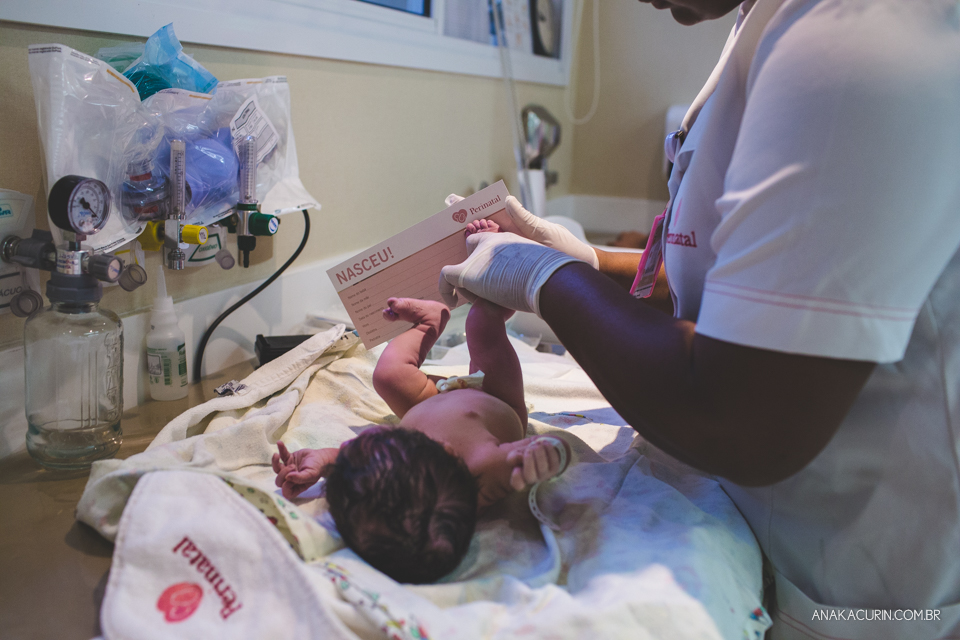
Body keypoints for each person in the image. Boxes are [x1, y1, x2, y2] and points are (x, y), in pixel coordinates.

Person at [439, 0, 960, 637]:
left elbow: (744, 417)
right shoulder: (761, 21)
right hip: (748, 533)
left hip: (856, 592)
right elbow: (739, 280)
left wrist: (546, 280)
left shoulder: (860, 35)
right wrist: (587, 259)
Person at [274, 222, 570, 584]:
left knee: (387, 376)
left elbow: (358, 462)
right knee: (480, 325)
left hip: (427, 402)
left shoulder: (384, 480)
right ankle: (492, 283)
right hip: (491, 395)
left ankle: (429, 321)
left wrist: (323, 460)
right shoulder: (486, 469)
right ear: (445, 450)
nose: (362, 443)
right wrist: (546, 457)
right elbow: (552, 451)